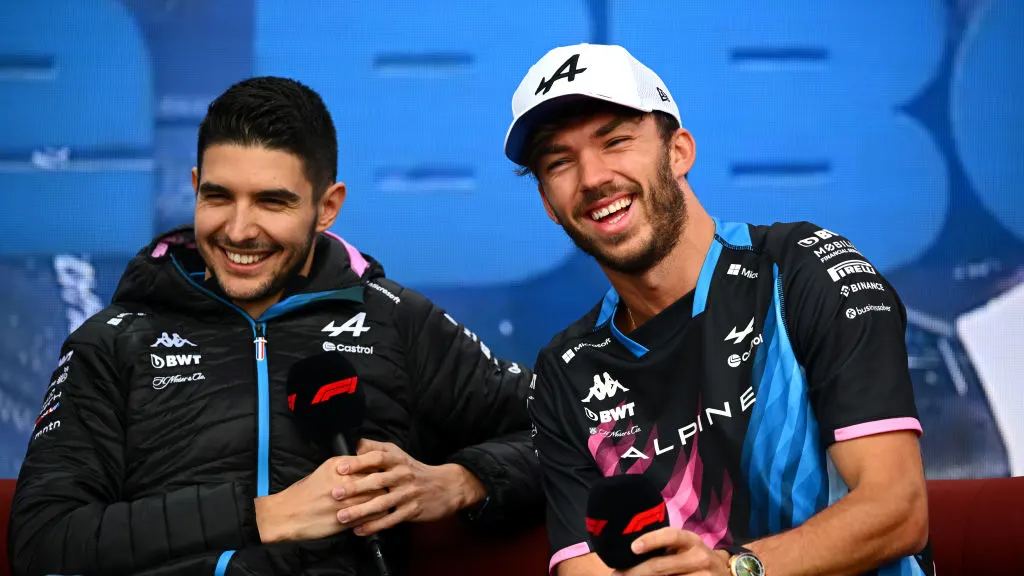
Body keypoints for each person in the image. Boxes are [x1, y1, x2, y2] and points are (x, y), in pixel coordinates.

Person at [9, 76, 542, 576]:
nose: (239, 230)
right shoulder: (115, 339)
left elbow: (574, 431)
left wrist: (464, 482)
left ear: (327, 207)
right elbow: (44, 535)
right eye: (218, 196)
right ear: (195, 187)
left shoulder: (392, 319)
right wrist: (265, 516)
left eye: (272, 202)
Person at [506, 44, 932, 576]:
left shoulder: (802, 271)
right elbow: (585, 570)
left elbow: (898, 509)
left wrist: (734, 570)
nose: (592, 177)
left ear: (679, 151)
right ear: (550, 204)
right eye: (560, 162)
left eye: (615, 140)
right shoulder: (566, 370)